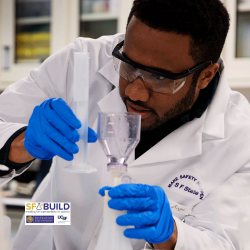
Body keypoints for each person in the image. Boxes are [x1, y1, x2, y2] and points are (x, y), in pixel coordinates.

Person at [0, 0, 249, 249]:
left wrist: (172, 235)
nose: (135, 92)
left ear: (205, 75)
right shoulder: (80, 61)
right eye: (128, 65)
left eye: (161, 77)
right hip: (50, 228)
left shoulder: (240, 138)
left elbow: (225, 242)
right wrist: (20, 144)